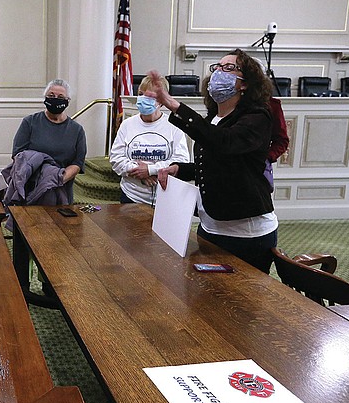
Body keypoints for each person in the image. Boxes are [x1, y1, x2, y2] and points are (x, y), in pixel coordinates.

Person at [151, 49, 278, 274]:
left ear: (245, 84)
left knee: (243, 303)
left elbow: (224, 143)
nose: (219, 72)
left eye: (229, 68)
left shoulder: (258, 117)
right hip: (210, 225)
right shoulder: (213, 118)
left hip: (246, 234)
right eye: (217, 67)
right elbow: (213, 161)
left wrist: (175, 106)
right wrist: (178, 169)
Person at [109, 75, 191, 205]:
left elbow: (181, 160)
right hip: (132, 196)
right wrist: (140, 172)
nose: (143, 99)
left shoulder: (174, 125)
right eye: (141, 94)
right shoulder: (127, 124)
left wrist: (151, 170)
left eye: (150, 96)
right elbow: (116, 159)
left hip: (165, 198)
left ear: (161, 101)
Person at [10, 79, 87, 204]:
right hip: (31, 187)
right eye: (51, 96)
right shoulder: (29, 122)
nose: (55, 98)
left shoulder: (76, 130)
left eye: (60, 97)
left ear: (67, 101)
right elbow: (18, 155)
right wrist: (41, 180)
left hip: (61, 188)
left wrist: (56, 180)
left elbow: (78, 163)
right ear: (45, 98)